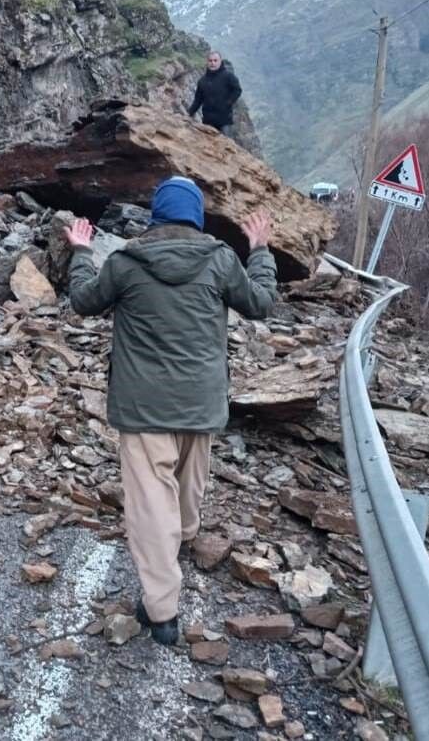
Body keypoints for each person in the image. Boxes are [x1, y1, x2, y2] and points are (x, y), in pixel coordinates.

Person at [64, 176, 276, 645]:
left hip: (143, 405)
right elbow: (261, 304)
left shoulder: (125, 262)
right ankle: (170, 562)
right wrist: (259, 250)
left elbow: (83, 303)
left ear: (156, 213)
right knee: (186, 491)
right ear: (197, 215)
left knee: (151, 503)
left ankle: (162, 611)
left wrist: (81, 251)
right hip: (200, 402)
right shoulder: (221, 259)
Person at [188, 51, 242, 135]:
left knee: (226, 146)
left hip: (224, 121)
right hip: (208, 122)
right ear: (207, 62)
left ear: (220, 61)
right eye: (210, 60)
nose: (213, 63)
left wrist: (229, 102)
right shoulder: (202, 81)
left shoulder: (228, 76)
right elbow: (198, 100)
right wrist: (189, 113)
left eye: (215, 60)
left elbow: (237, 90)